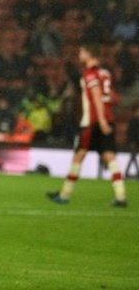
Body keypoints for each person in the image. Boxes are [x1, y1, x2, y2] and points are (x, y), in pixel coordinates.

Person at [47, 44, 127, 207]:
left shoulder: (89, 75)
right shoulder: (105, 73)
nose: (80, 55)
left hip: (92, 122)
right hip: (107, 118)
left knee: (79, 156)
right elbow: (113, 97)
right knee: (109, 156)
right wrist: (107, 116)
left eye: (82, 52)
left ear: (90, 54)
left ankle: (65, 194)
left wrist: (101, 120)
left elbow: (97, 97)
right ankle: (121, 196)